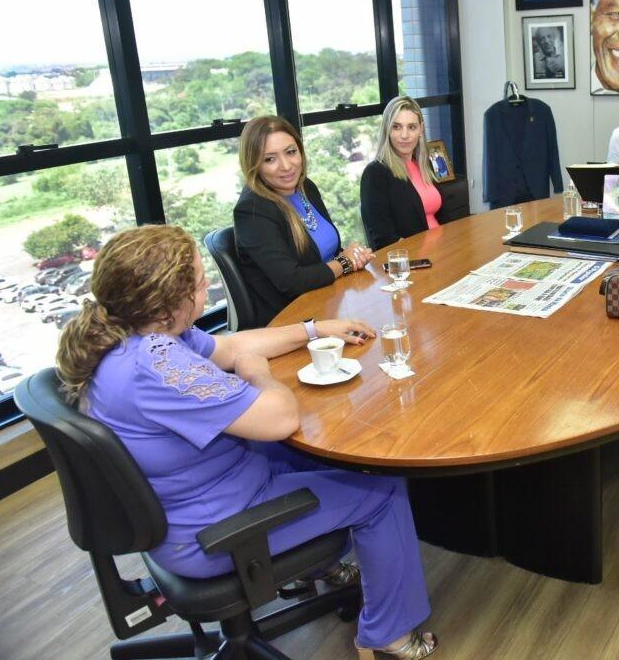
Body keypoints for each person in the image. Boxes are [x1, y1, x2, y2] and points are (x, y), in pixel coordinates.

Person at [55, 224, 437, 659]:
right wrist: (258, 375)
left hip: (194, 496)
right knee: (381, 489)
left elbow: (234, 345)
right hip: (213, 534)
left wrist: (316, 330)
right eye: (201, 283)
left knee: (319, 454)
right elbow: (281, 416)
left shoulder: (138, 335)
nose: (207, 287)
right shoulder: (159, 370)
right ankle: (388, 635)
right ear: (170, 303)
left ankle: (322, 565)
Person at [234, 115, 375, 328]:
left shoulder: (305, 187)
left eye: (291, 152)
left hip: (328, 300)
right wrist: (344, 263)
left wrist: (352, 256)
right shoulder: (252, 211)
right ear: (254, 165)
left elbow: (324, 251)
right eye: (270, 159)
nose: (286, 166)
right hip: (293, 322)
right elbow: (292, 282)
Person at [360, 97, 444, 251]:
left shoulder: (424, 164)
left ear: (421, 129)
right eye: (396, 127)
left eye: (412, 127)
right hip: (414, 258)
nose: (404, 135)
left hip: (444, 249)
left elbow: (445, 216)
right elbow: (384, 238)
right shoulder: (375, 173)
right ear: (387, 129)